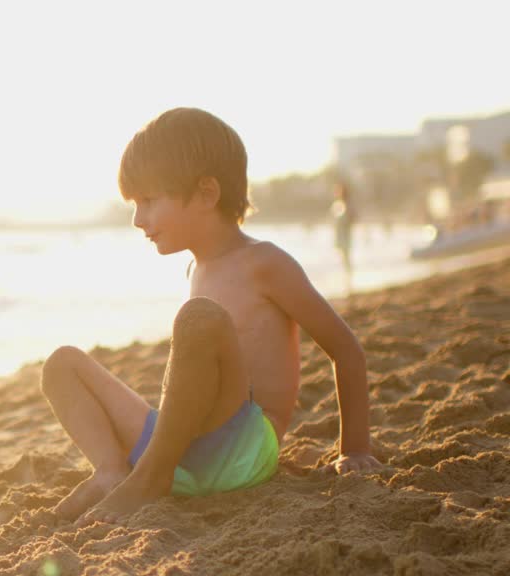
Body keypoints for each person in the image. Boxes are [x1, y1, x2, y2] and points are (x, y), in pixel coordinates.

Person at [41, 107, 382, 526]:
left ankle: (148, 477)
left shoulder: (264, 263)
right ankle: (113, 472)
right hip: (183, 451)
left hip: (242, 451)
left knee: (198, 317)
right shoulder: (194, 269)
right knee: (62, 364)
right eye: (133, 204)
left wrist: (355, 449)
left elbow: (346, 349)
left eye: (148, 201)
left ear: (206, 193)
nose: (136, 219)